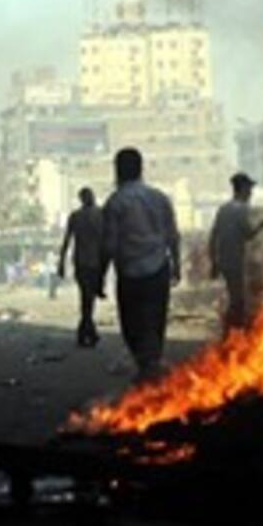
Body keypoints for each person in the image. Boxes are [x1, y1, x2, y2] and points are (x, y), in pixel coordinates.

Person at [100, 148, 180, 383]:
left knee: (132, 323)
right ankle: (152, 364)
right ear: (140, 168)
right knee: (156, 320)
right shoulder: (159, 198)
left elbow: (110, 245)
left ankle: (145, 366)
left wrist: (101, 275)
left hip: (130, 273)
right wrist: (176, 265)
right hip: (159, 269)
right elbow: (172, 236)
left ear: (118, 171)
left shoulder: (115, 202)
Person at [209, 173, 263, 331]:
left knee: (236, 297)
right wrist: (262, 225)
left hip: (224, 261)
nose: (251, 192)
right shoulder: (242, 209)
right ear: (243, 189)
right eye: (249, 189)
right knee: (238, 300)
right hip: (235, 261)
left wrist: (214, 262)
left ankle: (234, 330)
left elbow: (213, 236)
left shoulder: (223, 209)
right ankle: (232, 331)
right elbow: (249, 234)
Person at [58, 188, 105, 347]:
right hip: (94, 263)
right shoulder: (100, 215)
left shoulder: (76, 216)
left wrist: (61, 263)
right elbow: (106, 240)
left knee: (86, 296)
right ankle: (87, 331)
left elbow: (66, 240)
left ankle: (87, 331)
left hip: (82, 262)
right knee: (88, 297)